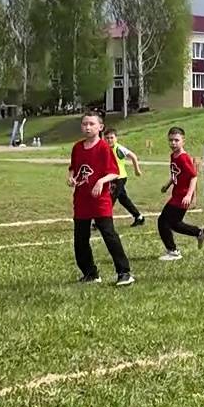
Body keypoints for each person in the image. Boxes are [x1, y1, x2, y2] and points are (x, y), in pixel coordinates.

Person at [70, 114, 133, 287]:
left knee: (109, 234)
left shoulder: (104, 148)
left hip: (100, 200)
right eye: (84, 124)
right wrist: (71, 178)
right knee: (80, 239)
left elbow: (114, 172)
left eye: (91, 124)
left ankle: (124, 272)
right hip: (81, 199)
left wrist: (100, 181)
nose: (87, 127)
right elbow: (74, 169)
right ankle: (90, 273)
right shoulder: (77, 147)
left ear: (100, 127)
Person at [156, 127, 204, 261]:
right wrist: (167, 185)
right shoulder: (173, 156)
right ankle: (199, 232)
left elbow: (193, 176)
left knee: (163, 221)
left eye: (176, 140)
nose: (173, 143)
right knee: (175, 223)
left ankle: (173, 251)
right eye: (171, 140)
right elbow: (176, 173)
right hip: (176, 194)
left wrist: (188, 195)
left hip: (182, 195)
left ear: (183, 141)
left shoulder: (184, 158)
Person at [103, 127, 146, 228]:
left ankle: (101, 222)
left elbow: (133, 156)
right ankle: (139, 217)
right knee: (123, 199)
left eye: (111, 138)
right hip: (111, 178)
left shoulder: (119, 148)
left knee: (109, 199)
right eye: (107, 138)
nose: (109, 140)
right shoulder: (104, 148)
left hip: (119, 178)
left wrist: (137, 170)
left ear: (116, 138)